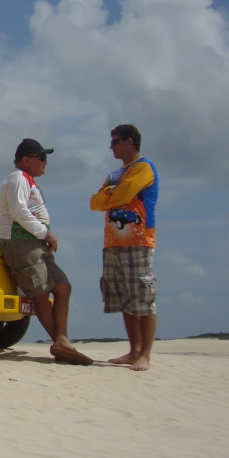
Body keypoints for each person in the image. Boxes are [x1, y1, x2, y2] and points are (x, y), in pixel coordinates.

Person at [0, 139, 92, 365]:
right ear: (27, 160)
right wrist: (45, 233)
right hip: (20, 242)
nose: (45, 162)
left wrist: (43, 236)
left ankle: (61, 340)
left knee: (62, 287)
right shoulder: (17, 178)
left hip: (35, 242)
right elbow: (18, 210)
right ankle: (61, 343)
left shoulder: (28, 181)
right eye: (41, 158)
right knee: (39, 292)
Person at [90, 124, 158, 371]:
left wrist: (111, 194)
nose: (111, 146)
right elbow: (95, 203)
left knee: (143, 297)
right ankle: (133, 351)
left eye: (115, 141)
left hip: (139, 241)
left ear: (129, 142)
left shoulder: (144, 168)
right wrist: (111, 192)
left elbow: (126, 194)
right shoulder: (115, 175)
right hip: (113, 242)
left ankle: (145, 355)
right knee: (126, 300)